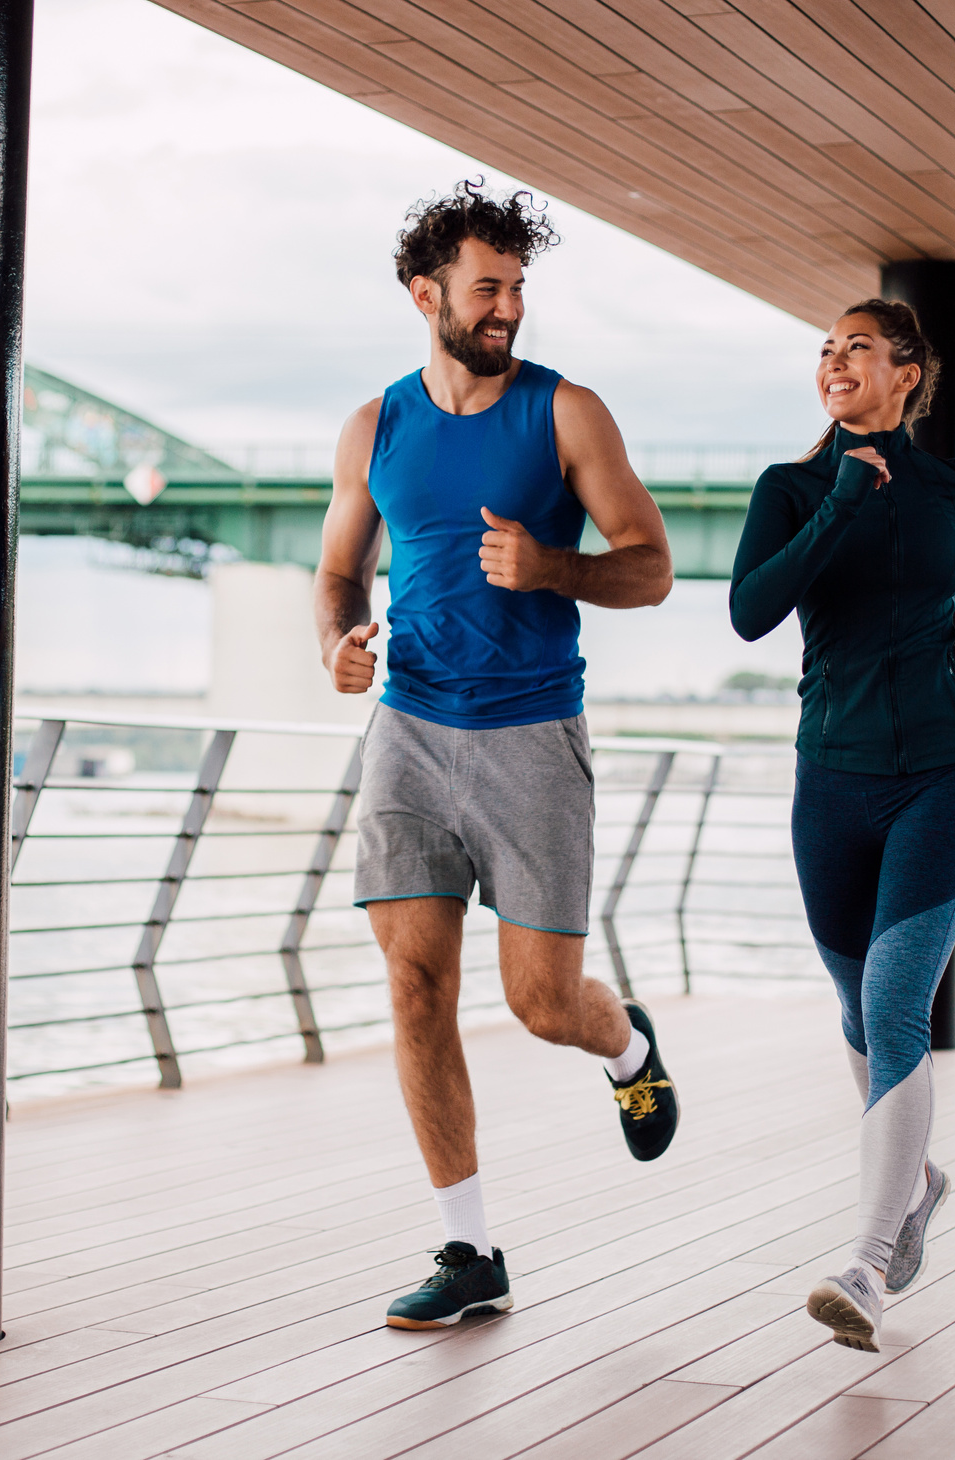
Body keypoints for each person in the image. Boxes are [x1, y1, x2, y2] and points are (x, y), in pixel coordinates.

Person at [314, 181, 680, 1331]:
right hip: (411, 732)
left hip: (530, 732)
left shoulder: (566, 413)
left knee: (537, 1000)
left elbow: (651, 563)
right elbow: (336, 568)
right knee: (415, 981)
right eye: (488, 287)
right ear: (424, 294)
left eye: (518, 286)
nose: (509, 307)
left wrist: (553, 570)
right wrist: (337, 642)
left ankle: (623, 1042)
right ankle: (469, 1249)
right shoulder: (374, 426)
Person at [728, 298, 955, 1351]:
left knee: (895, 1000)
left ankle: (865, 1257)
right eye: (824, 348)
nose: (833, 360)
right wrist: (840, 501)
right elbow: (750, 609)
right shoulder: (792, 488)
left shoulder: (954, 487)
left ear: (906, 375)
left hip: (940, 774)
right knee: (857, 1010)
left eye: (855, 347)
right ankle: (918, 1180)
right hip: (829, 786)